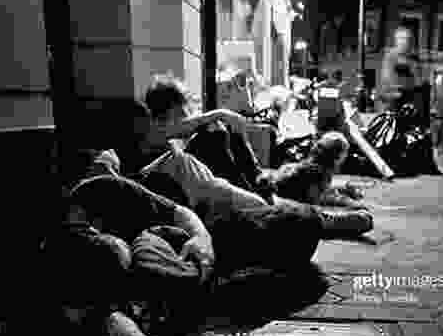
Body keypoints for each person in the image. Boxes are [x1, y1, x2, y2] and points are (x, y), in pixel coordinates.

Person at [136, 74, 373, 236]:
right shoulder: (153, 139)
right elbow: (167, 132)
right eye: (182, 112)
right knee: (215, 136)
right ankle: (319, 220)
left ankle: (315, 216)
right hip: (213, 205)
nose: (188, 116)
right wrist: (217, 114)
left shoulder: (178, 143)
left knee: (220, 134)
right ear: (166, 112)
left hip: (232, 193)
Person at [267, 132, 366, 209]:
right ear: (337, 157)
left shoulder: (308, 167)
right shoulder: (319, 174)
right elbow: (317, 199)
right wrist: (348, 202)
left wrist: (342, 189)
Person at [379, 27, 422, 112]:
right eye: (403, 39)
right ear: (397, 41)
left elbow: (418, 79)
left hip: (410, 97)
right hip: (394, 98)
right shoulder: (391, 56)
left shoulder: (413, 58)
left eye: (409, 39)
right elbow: (387, 78)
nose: (406, 42)